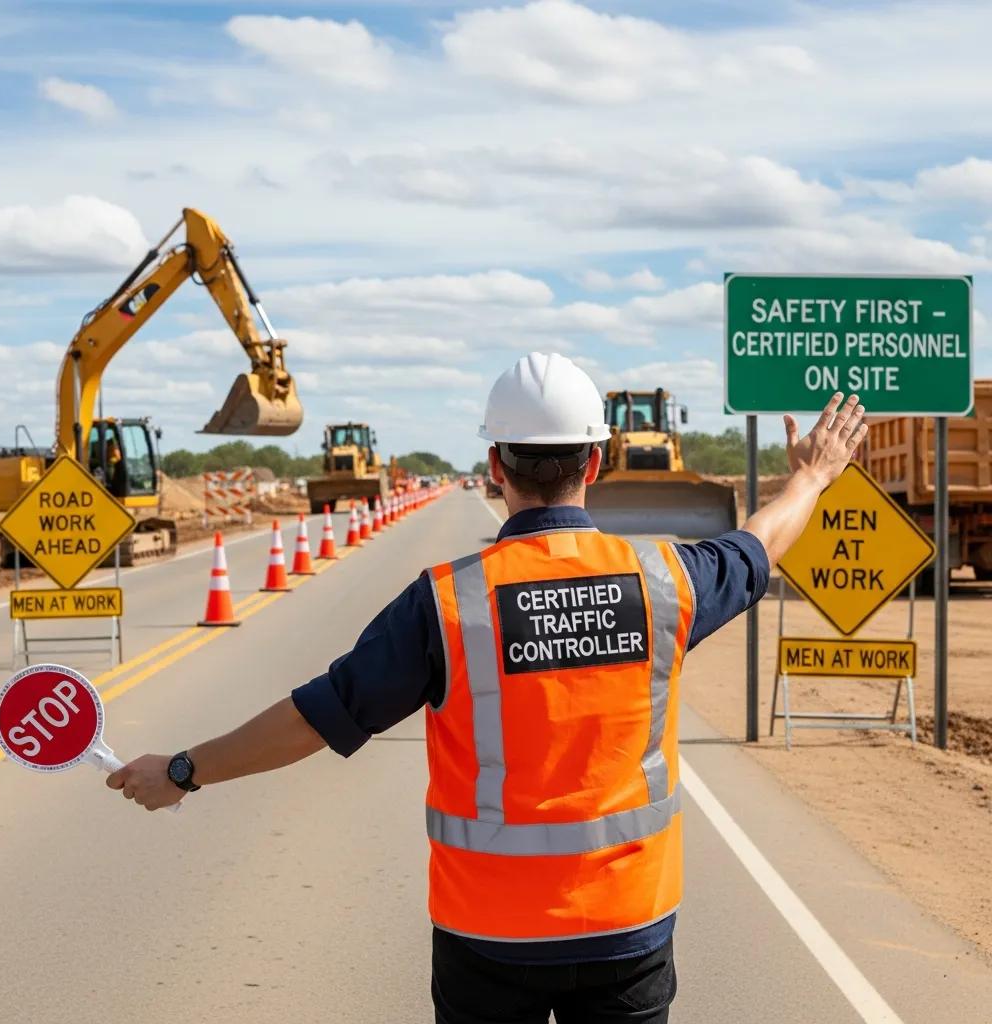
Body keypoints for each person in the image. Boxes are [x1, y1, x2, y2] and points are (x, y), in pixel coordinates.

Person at [108, 352, 868, 1023]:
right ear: (596, 463)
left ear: (496, 467)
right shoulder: (669, 582)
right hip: (628, 923)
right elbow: (762, 544)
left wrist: (184, 771)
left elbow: (318, 718)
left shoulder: (445, 603)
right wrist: (812, 474)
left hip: (488, 934)